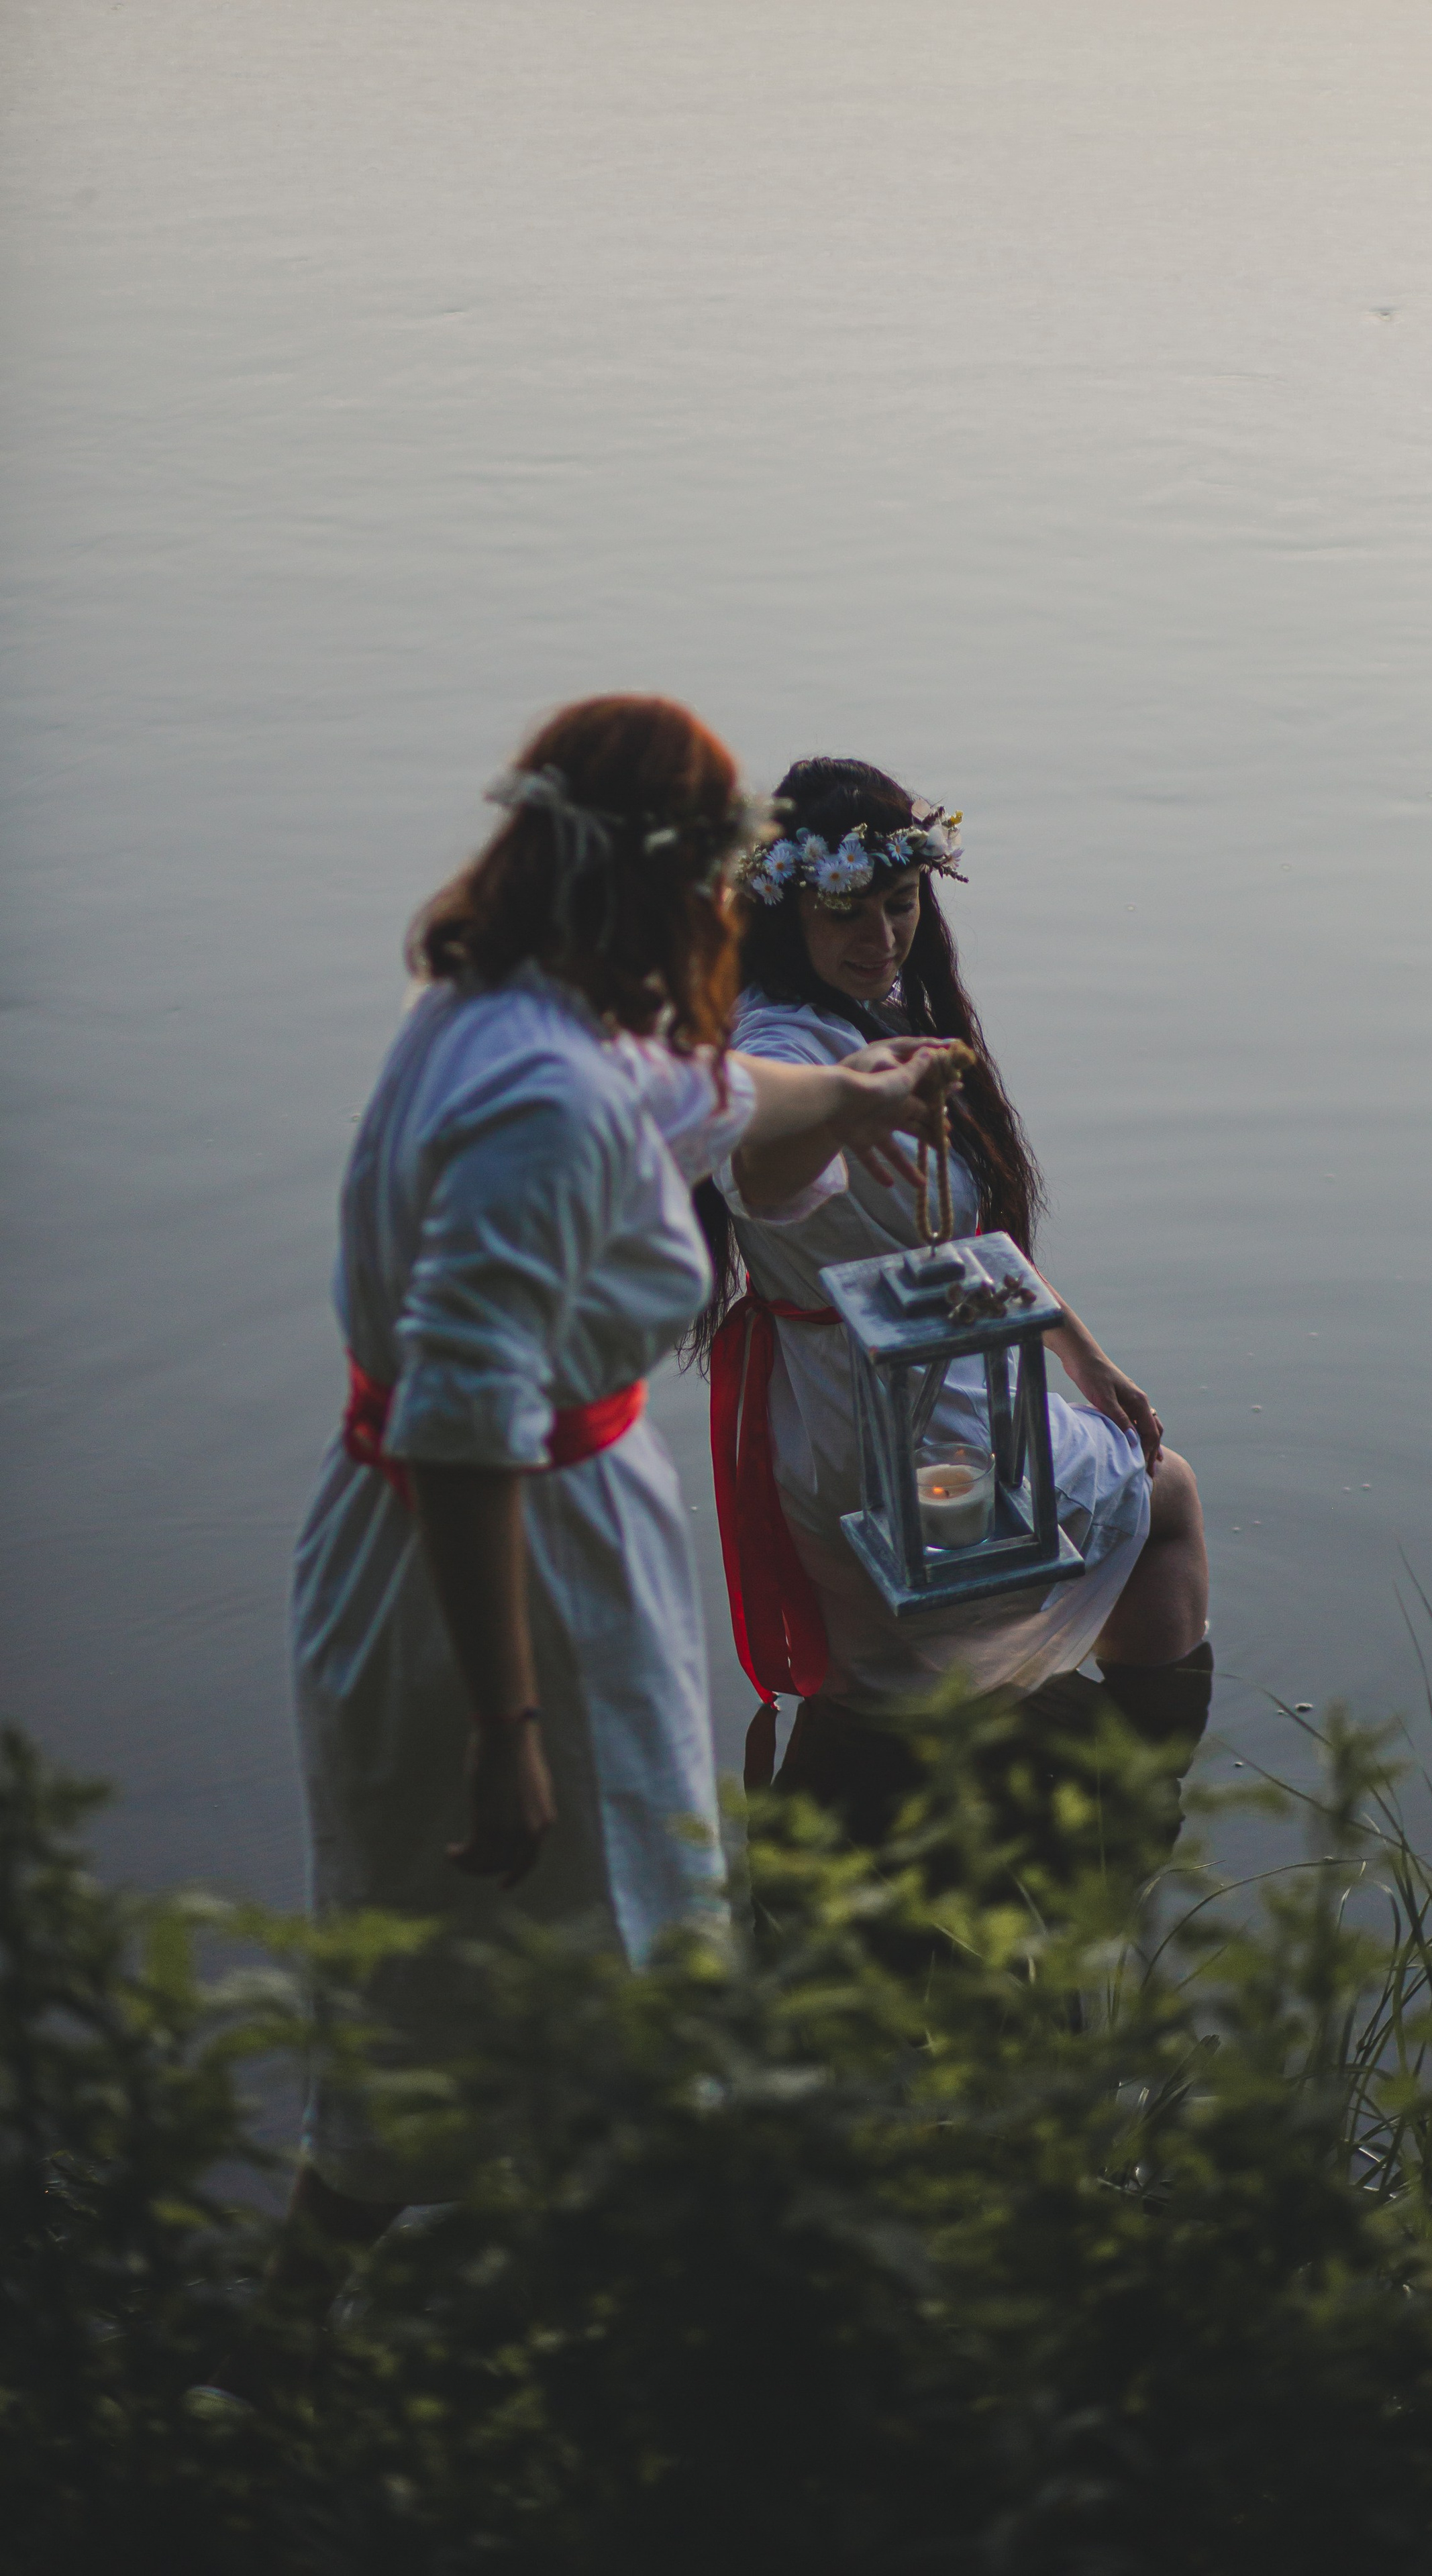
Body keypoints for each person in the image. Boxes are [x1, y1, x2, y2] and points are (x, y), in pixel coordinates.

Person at [288, 701, 950, 2251]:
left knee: (496, 1990)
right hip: (495, 1573)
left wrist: (855, 1094)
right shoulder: (539, 1098)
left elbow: (710, 1102)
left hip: (497, 1541)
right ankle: (591, 2352)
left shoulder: (514, 1010)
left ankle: (307, 2370)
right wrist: (505, 1726)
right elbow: (463, 1421)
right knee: (559, 1973)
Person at [695, 757, 1211, 1835]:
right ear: (787, 908)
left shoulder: (839, 1015)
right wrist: (846, 1105)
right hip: (923, 1433)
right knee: (1163, 1502)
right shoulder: (783, 1050)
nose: (878, 938)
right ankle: (1140, 1815)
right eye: (843, 911)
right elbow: (758, 1165)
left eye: (897, 904)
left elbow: (965, 1246)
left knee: (886, 1679)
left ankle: (859, 1901)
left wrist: (1081, 1352)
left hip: (815, 1426)